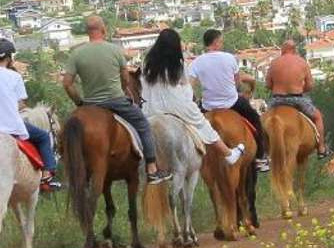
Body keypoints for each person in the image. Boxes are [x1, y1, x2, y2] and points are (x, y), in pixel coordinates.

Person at [61, 15, 168, 184]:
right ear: (103, 29)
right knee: (143, 125)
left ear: (88, 31)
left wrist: (79, 103)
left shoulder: (76, 54)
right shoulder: (114, 50)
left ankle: (66, 173)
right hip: (116, 100)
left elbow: (67, 84)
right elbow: (126, 79)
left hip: (90, 104)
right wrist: (123, 88)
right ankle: (152, 168)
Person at [142, 29, 246, 168]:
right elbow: (186, 88)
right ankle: (229, 154)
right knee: (202, 124)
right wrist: (190, 101)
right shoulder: (178, 64)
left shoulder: (147, 64)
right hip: (177, 105)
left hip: (152, 106)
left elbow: (143, 85)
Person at [0, 38, 61, 192]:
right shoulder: (15, 77)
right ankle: (47, 175)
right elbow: (21, 104)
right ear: (9, 58)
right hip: (10, 127)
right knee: (44, 137)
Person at [189, 28, 268, 172]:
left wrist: (195, 100)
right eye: (221, 42)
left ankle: (191, 163)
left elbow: (190, 87)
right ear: (216, 42)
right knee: (256, 119)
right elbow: (237, 83)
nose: (222, 44)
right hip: (232, 102)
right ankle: (260, 158)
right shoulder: (229, 58)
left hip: (208, 106)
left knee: (190, 129)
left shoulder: (196, 62)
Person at [265, 38, 330, 158]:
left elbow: (268, 85)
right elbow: (310, 85)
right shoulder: (302, 62)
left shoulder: (274, 63)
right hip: (297, 99)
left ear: (283, 49)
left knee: (262, 122)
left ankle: (262, 154)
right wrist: (299, 89)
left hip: (277, 100)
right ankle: (321, 148)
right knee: (318, 117)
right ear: (294, 50)